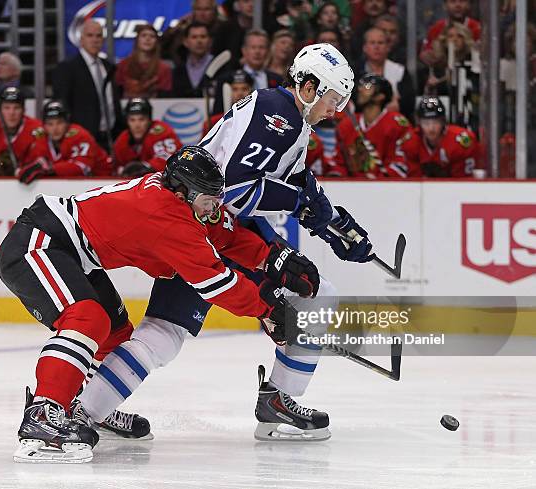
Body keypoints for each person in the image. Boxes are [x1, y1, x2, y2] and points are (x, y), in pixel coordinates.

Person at [79, 43, 375, 442]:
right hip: (217, 231)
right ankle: (280, 401)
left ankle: (87, 410)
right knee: (316, 295)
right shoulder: (278, 116)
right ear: (308, 87)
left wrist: (332, 221)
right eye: (333, 99)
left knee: (163, 333)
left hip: (209, 226)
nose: (335, 110)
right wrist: (300, 207)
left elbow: (294, 182)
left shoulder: (291, 119)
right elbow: (233, 191)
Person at [0, 146, 308, 462]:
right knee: (88, 319)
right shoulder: (164, 214)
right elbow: (214, 281)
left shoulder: (183, 200)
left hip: (74, 254)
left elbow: (223, 234)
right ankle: (44, 414)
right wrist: (267, 310)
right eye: (209, 198)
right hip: (38, 243)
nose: (216, 206)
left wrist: (271, 259)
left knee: (115, 333)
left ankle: (85, 409)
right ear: (185, 192)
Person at [52, 19, 123, 152]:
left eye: (98, 36)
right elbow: (63, 105)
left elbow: (114, 104)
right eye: (90, 35)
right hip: (82, 140)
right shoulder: (67, 68)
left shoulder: (108, 67)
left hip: (110, 138)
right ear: (81, 39)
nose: (95, 40)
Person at [332, 73, 412, 177]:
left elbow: (402, 163)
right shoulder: (346, 125)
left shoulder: (397, 124)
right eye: (361, 86)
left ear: (380, 96)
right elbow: (338, 162)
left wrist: (376, 181)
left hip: (388, 189)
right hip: (352, 189)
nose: (360, 90)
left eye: (367, 87)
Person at [16, 100, 111, 184]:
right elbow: (31, 164)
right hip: (73, 186)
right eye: (50, 124)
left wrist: (49, 169)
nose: (55, 128)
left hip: (105, 181)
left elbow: (82, 168)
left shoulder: (80, 136)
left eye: (59, 123)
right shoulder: (40, 138)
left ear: (67, 123)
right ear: (44, 125)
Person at [388, 96, 478, 177]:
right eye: (426, 123)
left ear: (443, 121)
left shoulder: (460, 141)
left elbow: (462, 182)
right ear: (419, 123)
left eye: (435, 122)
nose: (431, 128)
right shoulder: (411, 141)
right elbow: (414, 181)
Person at [213, 30, 283, 113]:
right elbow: (218, 113)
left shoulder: (278, 80)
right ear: (244, 50)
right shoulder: (226, 79)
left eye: (261, 47)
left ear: (268, 51)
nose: (257, 52)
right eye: (253, 47)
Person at [356, 27, 415, 120]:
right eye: (372, 43)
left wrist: (398, 105)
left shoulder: (400, 71)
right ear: (365, 48)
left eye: (380, 43)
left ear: (387, 47)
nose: (376, 47)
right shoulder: (355, 73)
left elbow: (409, 102)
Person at [113, 98, 182, 177]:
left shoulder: (161, 131)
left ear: (149, 120)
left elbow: (170, 161)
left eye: (141, 119)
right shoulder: (123, 139)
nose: (137, 125)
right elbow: (116, 168)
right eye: (132, 120)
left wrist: (146, 166)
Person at [0, 87, 43, 176]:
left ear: (23, 110)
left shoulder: (36, 129)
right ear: (0, 111)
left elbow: (41, 159)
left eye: (16, 108)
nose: (11, 113)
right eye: (7, 108)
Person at [115, 24, 172, 99]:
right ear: (137, 40)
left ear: (156, 42)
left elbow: (165, 97)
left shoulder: (164, 68)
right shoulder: (123, 65)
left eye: (152, 36)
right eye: (144, 35)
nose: (147, 39)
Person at [201, 69, 254, 136]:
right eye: (234, 89)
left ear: (251, 91)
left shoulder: (257, 120)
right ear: (227, 91)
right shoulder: (213, 123)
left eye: (244, 89)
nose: (240, 93)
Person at [171, 22, 214, 98]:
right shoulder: (178, 71)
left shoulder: (221, 67)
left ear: (210, 41)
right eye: (194, 37)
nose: (199, 41)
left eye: (203, 37)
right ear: (185, 42)